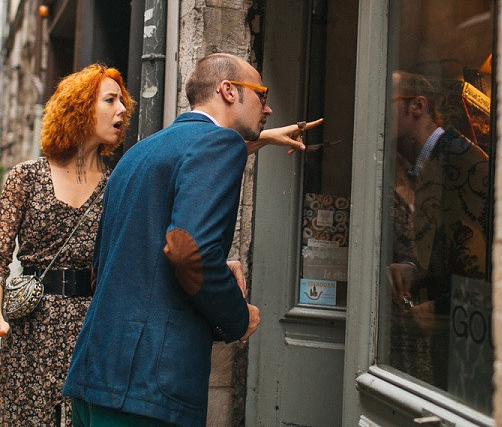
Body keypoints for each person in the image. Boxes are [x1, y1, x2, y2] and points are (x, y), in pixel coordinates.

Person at [63, 53, 320, 427]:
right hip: (149, 390)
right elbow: (187, 251)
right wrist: (237, 316)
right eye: (261, 94)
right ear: (228, 91)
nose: (268, 107)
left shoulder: (138, 154)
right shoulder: (222, 145)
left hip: (94, 375)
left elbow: (102, 266)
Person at [0, 64, 135, 426]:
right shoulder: (26, 177)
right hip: (31, 331)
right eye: (110, 100)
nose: (122, 110)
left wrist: (250, 141)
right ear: (79, 108)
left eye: (122, 101)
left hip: (91, 330)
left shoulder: (118, 184)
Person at [386, 70, 490, 387]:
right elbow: (447, 248)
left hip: (469, 346)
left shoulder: (461, 161)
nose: (378, 111)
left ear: (417, 106)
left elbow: (480, 264)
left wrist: (440, 308)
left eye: (387, 101)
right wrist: (416, 270)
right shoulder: (428, 162)